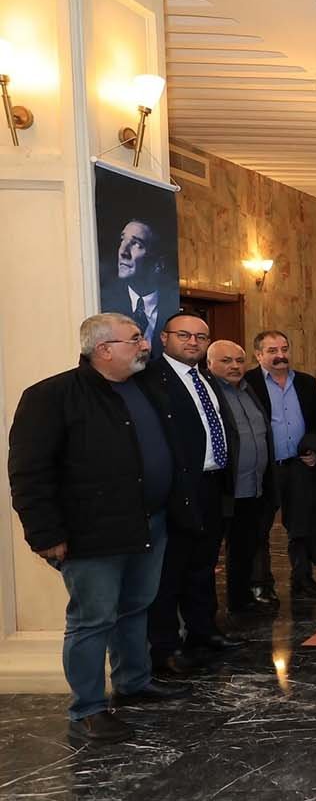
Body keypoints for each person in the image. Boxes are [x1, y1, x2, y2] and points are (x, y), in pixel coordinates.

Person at [9, 314, 192, 742]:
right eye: (134, 340)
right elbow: (29, 473)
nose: (144, 345)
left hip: (150, 523)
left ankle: (134, 680)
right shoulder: (51, 396)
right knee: (93, 619)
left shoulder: (144, 388)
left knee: (136, 606)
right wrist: (45, 534)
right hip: (92, 533)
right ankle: (88, 707)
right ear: (104, 349)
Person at [144, 313, 242, 675]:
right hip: (176, 487)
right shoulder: (151, 381)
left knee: (203, 565)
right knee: (170, 570)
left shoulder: (205, 379)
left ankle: (203, 632)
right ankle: (165, 647)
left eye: (201, 337)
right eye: (184, 335)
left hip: (211, 485)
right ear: (164, 338)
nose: (193, 342)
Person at [246, 330, 316, 597]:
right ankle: (261, 585)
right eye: (272, 351)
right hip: (265, 467)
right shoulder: (247, 382)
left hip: (299, 465)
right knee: (259, 527)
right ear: (258, 354)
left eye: (284, 349)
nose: (281, 355)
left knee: (301, 525)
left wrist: (314, 450)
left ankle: (303, 578)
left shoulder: (306, 382)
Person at [206, 341, 272, 616]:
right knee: (208, 555)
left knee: (245, 547)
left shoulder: (249, 390)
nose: (234, 366)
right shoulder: (209, 393)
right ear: (209, 364)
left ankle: (240, 600)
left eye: (239, 360)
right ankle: (206, 617)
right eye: (226, 361)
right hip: (223, 488)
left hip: (253, 486)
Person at [100, 220, 173, 357]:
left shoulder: (173, 312)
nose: (123, 252)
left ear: (159, 264)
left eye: (137, 244)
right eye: (123, 240)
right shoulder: (105, 306)